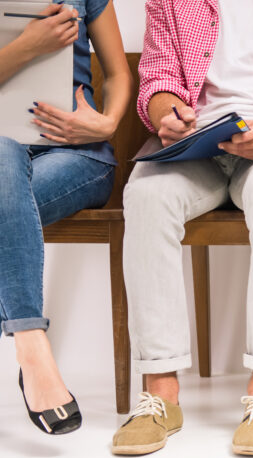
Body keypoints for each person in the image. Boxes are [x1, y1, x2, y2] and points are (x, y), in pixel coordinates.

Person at [111, 0, 253, 456]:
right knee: (146, 196)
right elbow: (158, 81)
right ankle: (160, 393)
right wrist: (168, 114)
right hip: (194, 147)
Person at [0, 1, 130, 435]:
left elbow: (118, 74)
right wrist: (26, 47)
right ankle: (32, 347)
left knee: (7, 209)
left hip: (78, 155)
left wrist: (107, 123)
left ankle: (28, 345)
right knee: (1, 152)